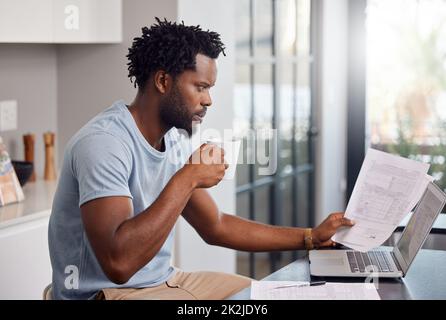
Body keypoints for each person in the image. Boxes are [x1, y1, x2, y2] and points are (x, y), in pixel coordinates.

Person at [48, 18, 354, 300]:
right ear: (163, 82)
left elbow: (215, 225)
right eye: (201, 87)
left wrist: (310, 237)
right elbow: (119, 263)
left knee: (270, 296)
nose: (208, 99)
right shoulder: (104, 143)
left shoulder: (171, 138)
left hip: (163, 280)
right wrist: (189, 176)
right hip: (108, 294)